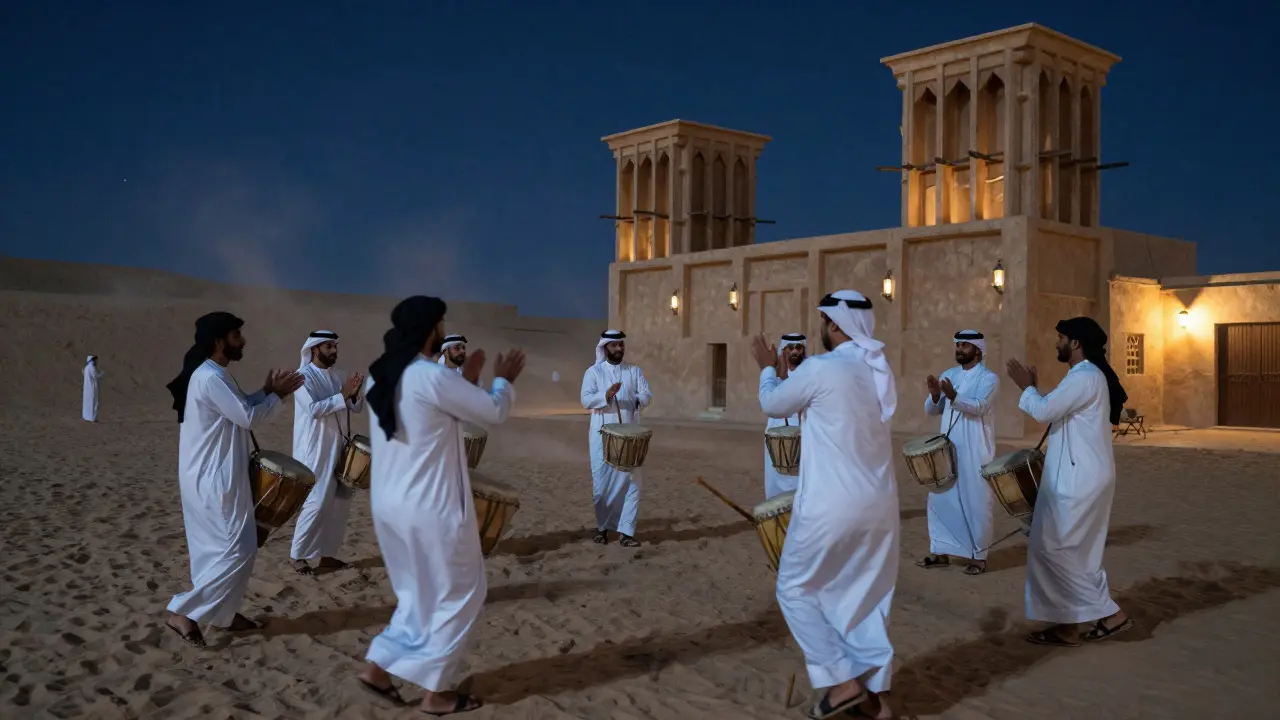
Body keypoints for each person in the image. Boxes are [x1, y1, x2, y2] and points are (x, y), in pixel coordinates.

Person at [357, 295, 525, 716]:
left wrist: (465, 380)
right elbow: (493, 412)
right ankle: (436, 693)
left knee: (418, 593)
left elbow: (433, 417)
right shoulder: (427, 376)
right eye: (440, 324)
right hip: (430, 507)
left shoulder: (383, 376)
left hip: (390, 507)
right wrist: (503, 380)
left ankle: (378, 670)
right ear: (429, 329)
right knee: (462, 592)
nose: (443, 330)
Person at [753, 290, 900, 720]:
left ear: (835, 325)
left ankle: (841, 684)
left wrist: (767, 368)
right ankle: (875, 700)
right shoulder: (877, 370)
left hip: (831, 505)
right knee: (863, 598)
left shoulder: (821, 368)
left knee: (795, 589)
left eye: (822, 320)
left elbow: (772, 403)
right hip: (880, 506)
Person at [162, 312, 304, 649]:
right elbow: (248, 416)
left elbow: (239, 407)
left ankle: (222, 614)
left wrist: (267, 391)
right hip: (214, 478)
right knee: (238, 548)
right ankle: (184, 613)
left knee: (218, 551)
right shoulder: (211, 378)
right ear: (219, 341)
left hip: (216, 475)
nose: (243, 341)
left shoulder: (214, 376)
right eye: (237, 335)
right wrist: (277, 395)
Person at [1006, 316, 1133, 647]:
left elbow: (1045, 411)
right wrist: (1036, 392)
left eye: (1060, 337)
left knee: (1054, 548)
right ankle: (1067, 626)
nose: (1056, 343)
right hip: (1080, 474)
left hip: (1079, 479)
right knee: (1071, 551)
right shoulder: (1082, 377)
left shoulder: (1085, 376)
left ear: (1075, 343)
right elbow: (1057, 408)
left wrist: (1027, 387)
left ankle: (1110, 614)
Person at [917, 330, 999, 575]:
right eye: (958, 345)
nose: (960, 349)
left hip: (975, 449)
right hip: (947, 449)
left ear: (978, 349)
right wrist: (935, 395)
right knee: (941, 498)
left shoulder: (989, 378)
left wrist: (954, 396)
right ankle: (941, 551)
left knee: (976, 502)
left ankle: (978, 557)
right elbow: (934, 410)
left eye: (965, 345)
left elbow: (981, 407)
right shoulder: (949, 375)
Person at [289, 330, 366, 575]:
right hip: (314, 448)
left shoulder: (339, 375)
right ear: (314, 349)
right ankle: (297, 555)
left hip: (340, 447)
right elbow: (313, 409)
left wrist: (353, 394)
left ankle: (327, 555)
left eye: (335, 345)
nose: (334, 350)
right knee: (318, 500)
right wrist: (343, 394)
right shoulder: (301, 377)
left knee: (340, 502)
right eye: (328, 346)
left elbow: (355, 407)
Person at [580, 329, 652, 548]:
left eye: (621, 345)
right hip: (602, 436)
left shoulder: (634, 371)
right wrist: (607, 395)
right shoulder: (593, 372)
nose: (619, 349)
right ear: (605, 348)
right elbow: (585, 400)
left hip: (629, 437)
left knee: (632, 484)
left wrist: (638, 398)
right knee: (602, 484)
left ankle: (626, 533)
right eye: (614, 346)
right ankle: (602, 529)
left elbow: (647, 394)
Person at [763, 333, 806, 499]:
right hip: (776, 432)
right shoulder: (776, 375)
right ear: (784, 351)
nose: (795, 351)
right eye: (790, 348)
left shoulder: (809, 374)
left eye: (798, 347)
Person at [82, 355, 102, 422]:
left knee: (87, 402)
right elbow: (95, 375)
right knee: (93, 402)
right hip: (92, 388)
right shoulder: (91, 368)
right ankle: (92, 418)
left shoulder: (86, 368)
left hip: (87, 389)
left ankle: (86, 416)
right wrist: (101, 374)